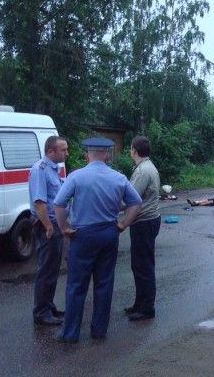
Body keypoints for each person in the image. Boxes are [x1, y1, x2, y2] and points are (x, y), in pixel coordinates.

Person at [54, 138, 142, 343]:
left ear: (87, 155)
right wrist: (123, 225)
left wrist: (64, 228)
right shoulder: (118, 178)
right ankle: (99, 330)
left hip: (82, 235)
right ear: (106, 155)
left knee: (76, 285)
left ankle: (70, 334)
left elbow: (59, 204)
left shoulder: (76, 177)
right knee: (104, 283)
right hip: (108, 234)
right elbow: (135, 203)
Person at [29, 136, 69, 326]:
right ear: (51, 151)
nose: (67, 153)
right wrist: (48, 226)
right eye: (63, 150)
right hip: (48, 226)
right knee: (46, 269)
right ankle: (41, 312)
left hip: (55, 225)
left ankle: (48, 305)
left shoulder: (54, 170)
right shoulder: (40, 169)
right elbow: (39, 202)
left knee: (53, 268)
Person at [124, 136, 162, 322]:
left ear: (134, 150)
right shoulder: (147, 167)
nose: (130, 151)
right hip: (148, 220)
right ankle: (140, 304)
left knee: (143, 266)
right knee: (140, 265)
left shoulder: (143, 171)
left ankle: (146, 308)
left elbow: (130, 198)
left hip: (144, 222)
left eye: (130, 148)